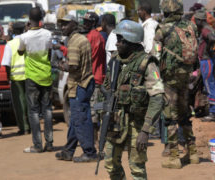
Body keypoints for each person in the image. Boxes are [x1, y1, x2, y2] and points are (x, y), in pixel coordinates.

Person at [103, 20, 164, 180]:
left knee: (137, 169)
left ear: (130, 41)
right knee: (110, 163)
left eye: (120, 40)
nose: (116, 44)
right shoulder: (115, 61)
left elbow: (157, 97)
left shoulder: (147, 63)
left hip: (137, 124)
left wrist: (145, 130)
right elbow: (107, 89)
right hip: (115, 121)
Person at [153, 0, 199, 169]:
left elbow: (155, 55)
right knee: (185, 114)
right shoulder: (191, 27)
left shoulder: (162, 30)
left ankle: (174, 156)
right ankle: (193, 153)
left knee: (170, 117)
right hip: (186, 77)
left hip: (169, 79)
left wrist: (154, 78)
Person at [55, 15, 97, 162]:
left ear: (74, 24)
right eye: (61, 24)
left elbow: (72, 66)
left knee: (81, 120)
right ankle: (68, 150)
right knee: (75, 119)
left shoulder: (73, 42)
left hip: (79, 85)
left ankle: (89, 152)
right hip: (85, 83)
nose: (62, 27)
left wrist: (61, 65)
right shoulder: (81, 39)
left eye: (66, 24)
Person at [18, 7, 53, 153]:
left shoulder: (25, 37)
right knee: (47, 109)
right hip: (46, 75)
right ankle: (49, 143)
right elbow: (50, 52)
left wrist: (26, 31)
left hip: (32, 77)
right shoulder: (48, 34)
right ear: (41, 19)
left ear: (29, 20)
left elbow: (20, 52)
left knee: (33, 111)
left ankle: (37, 145)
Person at [194, 10, 215, 122]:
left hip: (206, 61)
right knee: (209, 85)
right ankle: (211, 110)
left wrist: (209, 48)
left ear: (200, 20)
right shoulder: (210, 29)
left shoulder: (205, 30)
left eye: (196, 20)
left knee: (209, 85)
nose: (195, 22)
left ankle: (213, 112)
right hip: (208, 60)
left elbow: (212, 38)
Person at [2, 22, 30, 135]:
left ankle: (24, 128)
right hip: (29, 76)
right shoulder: (27, 42)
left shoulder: (10, 44)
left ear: (13, 31)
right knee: (29, 102)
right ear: (24, 30)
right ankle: (32, 126)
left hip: (16, 78)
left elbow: (6, 64)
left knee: (19, 104)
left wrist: (8, 77)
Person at [83, 12, 106, 148]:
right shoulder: (100, 36)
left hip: (94, 79)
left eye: (86, 22)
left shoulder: (92, 37)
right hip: (99, 78)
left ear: (92, 23)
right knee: (98, 111)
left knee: (94, 113)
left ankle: (96, 141)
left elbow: (88, 58)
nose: (84, 24)